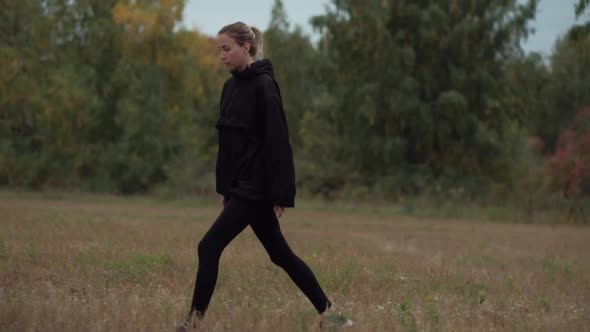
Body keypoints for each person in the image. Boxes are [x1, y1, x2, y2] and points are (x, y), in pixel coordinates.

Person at [177, 22, 353, 331]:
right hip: (241, 186)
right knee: (281, 255)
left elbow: (278, 142)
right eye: (219, 49)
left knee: (208, 247)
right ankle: (334, 317)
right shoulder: (230, 88)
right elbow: (228, 143)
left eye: (226, 48)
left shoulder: (264, 86)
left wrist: (282, 193)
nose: (221, 56)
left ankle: (193, 324)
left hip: (256, 187)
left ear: (246, 47)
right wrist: (225, 186)